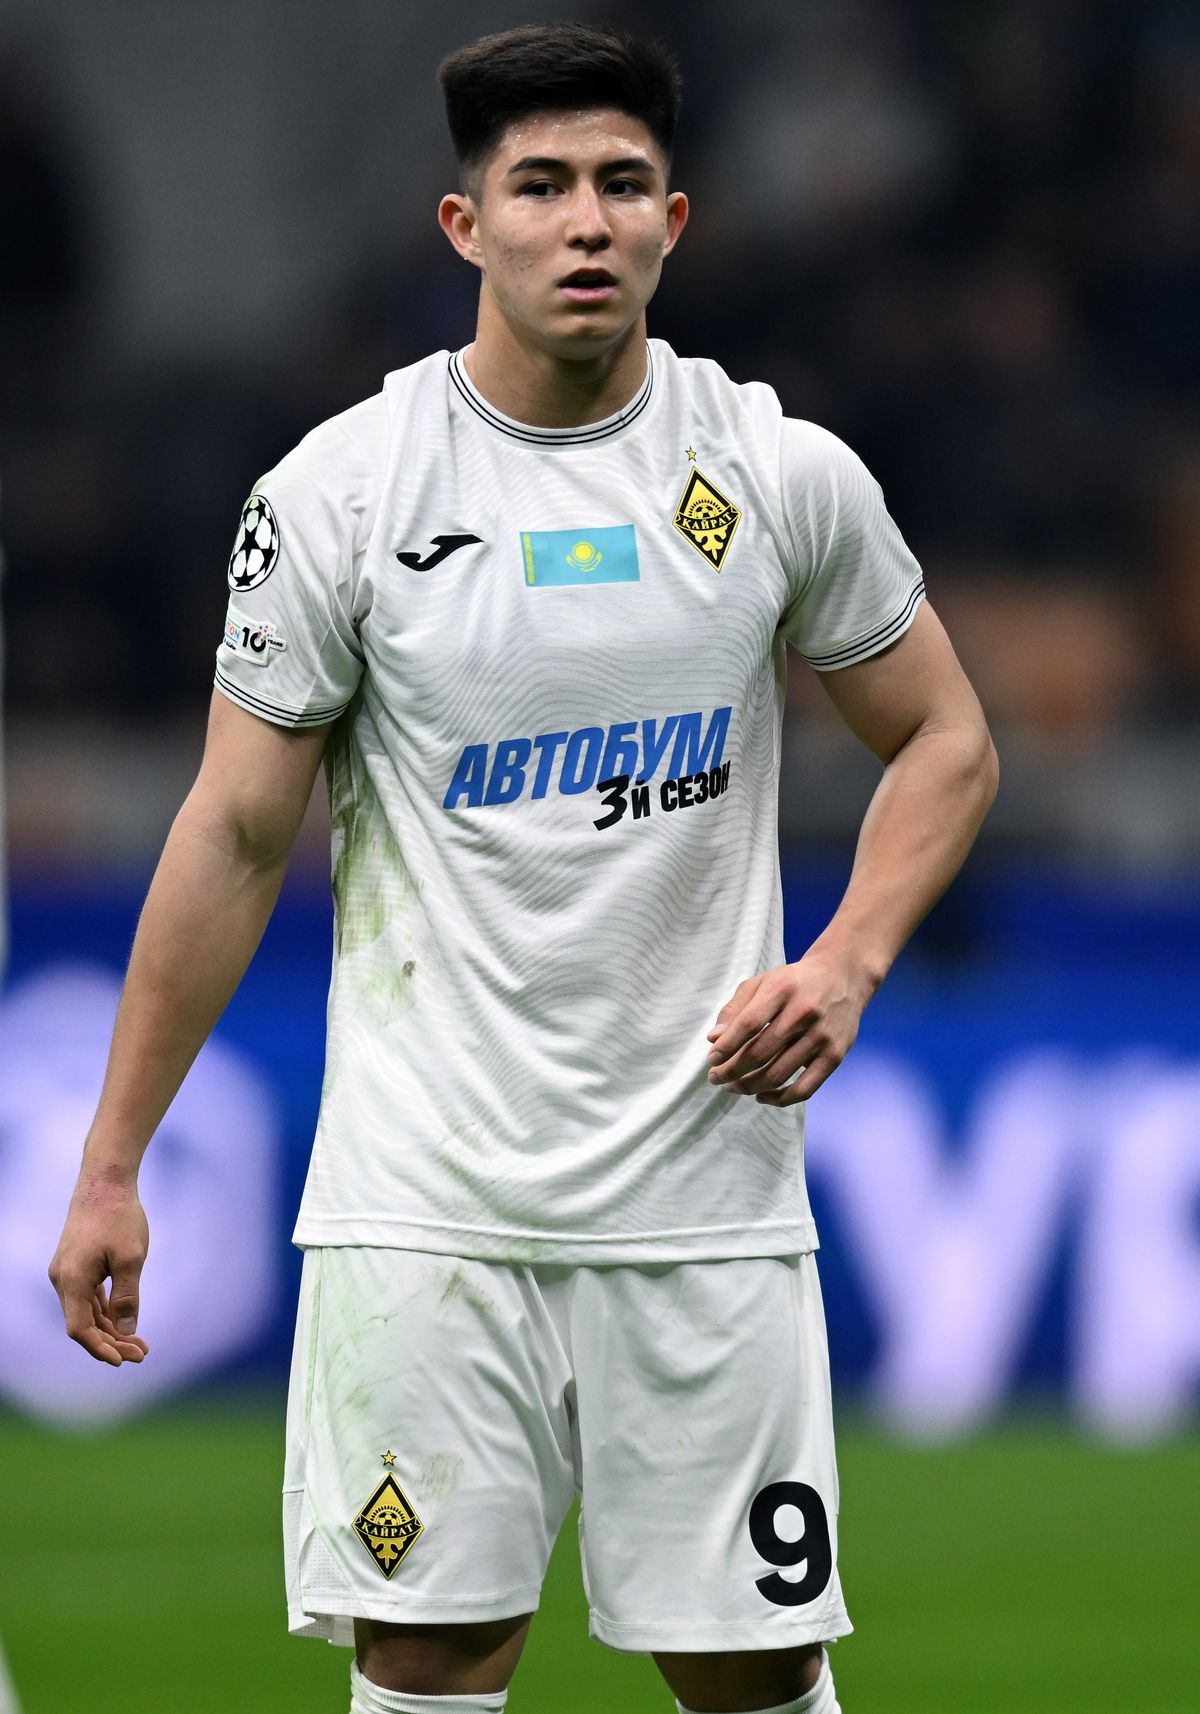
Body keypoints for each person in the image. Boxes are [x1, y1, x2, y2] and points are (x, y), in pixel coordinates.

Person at [49, 23, 997, 1714]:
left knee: (755, 1670)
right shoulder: (343, 493)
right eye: (541, 185)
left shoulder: (773, 470)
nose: (584, 221)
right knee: (429, 1660)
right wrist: (112, 1157)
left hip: (704, 1206)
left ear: (674, 223)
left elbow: (947, 737)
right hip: (429, 1209)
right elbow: (235, 830)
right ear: (465, 224)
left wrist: (848, 957)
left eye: (622, 184)